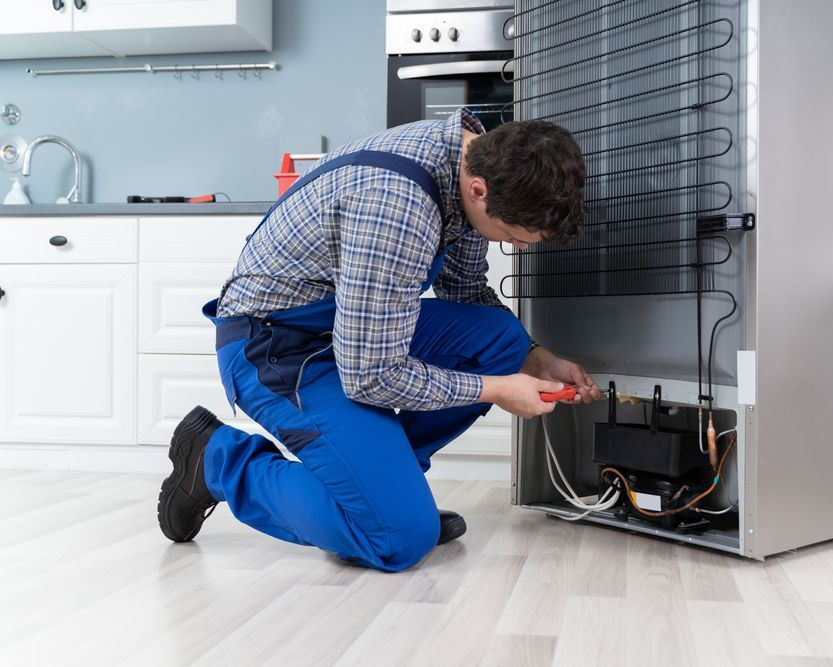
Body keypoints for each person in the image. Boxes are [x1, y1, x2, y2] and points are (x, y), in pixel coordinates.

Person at [156, 108, 603, 572]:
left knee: (501, 342)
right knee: (399, 538)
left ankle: (380, 487)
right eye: (513, 238)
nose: (520, 247)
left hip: (349, 334)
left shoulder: (474, 159)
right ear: (479, 192)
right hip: (277, 346)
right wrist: (497, 389)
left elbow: (465, 293)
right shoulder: (398, 208)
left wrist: (534, 359)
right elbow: (370, 377)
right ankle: (217, 461)